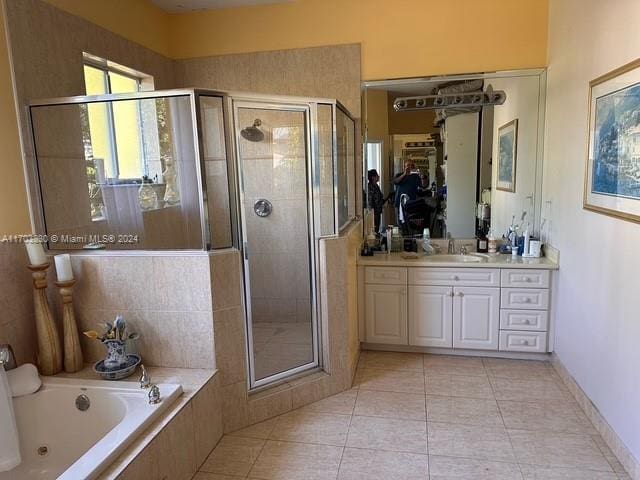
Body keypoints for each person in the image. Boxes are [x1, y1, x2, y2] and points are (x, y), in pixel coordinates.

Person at [367, 169, 385, 233]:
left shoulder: (376, 186)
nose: (378, 176)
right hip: (373, 213)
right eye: (377, 175)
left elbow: (379, 197)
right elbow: (371, 202)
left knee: (377, 229)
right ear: (373, 177)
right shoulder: (369, 187)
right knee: (374, 230)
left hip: (378, 212)